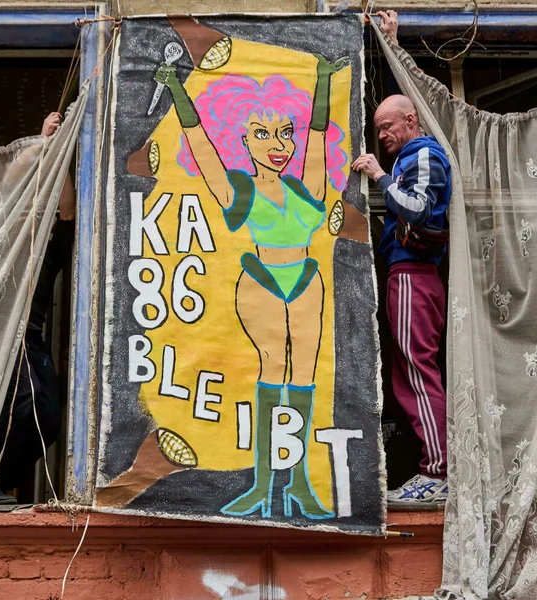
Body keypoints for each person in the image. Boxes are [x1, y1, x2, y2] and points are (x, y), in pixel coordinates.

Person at [154, 51, 349, 519]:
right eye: (262, 134)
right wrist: (177, 87)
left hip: (306, 280)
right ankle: (264, 485)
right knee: (270, 371)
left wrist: (323, 81)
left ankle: (299, 483)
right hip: (261, 280)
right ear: (243, 140)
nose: (277, 144)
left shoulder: (305, 187)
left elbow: (318, 135)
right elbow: (203, 150)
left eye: (284, 133)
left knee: (303, 376)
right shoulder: (239, 189)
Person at [351, 10, 453, 502]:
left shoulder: (424, 153)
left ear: (410, 122)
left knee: (416, 368)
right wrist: (391, 45)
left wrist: (378, 176)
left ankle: (439, 471)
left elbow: (419, 210)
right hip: (406, 273)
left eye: (387, 127)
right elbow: (406, 102)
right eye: (377, 129)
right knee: (405, 371)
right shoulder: (413, 154)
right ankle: (434, 467)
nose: (382, 136)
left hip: (414, 272)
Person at [0, 112, 75, 504]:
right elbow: (9, 184)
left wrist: (59, 153)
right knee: (17, 407)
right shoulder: (0, 237)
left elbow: (67, 212)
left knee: (45, 416)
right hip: (0, 335)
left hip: (29, 336)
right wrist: (41, 141)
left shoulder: (48, 246)